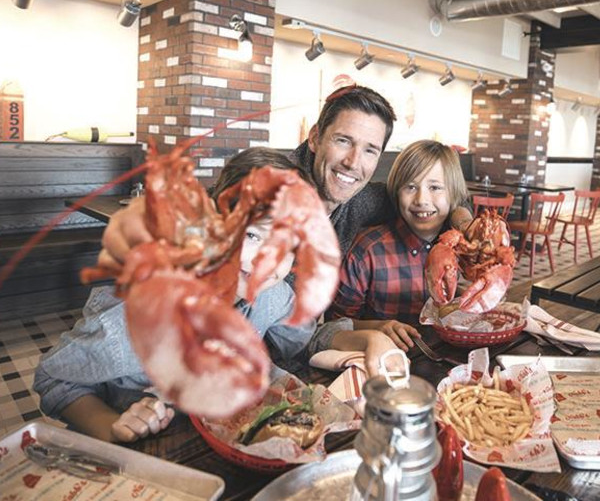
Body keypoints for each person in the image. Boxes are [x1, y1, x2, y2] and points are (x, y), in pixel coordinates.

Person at [34, 148, 396, 443]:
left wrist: (368, 337)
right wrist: (111, 426)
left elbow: (304, 340)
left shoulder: (270, 296)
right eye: (252, 236)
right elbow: (54, 380)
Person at [95, 85, 473, 346]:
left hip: (288, 351)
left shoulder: (361, 197)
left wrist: (464, 221)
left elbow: (426, 200)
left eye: (370, 149)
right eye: (343, 141)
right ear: (315, 138)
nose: (353, 162)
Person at [328, 140, 469, 351]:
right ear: (395, 191)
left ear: (453, 194)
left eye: (435, 188)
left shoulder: (462, 245)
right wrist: (378, 327)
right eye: (411, 187)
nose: (422, 200)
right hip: (381, 364)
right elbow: (334, 326)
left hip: (448, 358)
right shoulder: (367, 251)